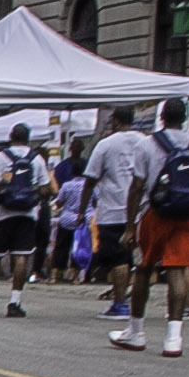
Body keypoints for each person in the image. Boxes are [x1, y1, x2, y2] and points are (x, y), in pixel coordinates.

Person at [114, 96, 189, 357]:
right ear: (184, 118)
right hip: (187, 216)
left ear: (161, 117)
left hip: (154, 214)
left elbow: (137, 187)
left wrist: (129, 226)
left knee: (144, 270)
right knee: (178, 272)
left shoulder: (147, 144)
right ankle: (174, 337)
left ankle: (136, 331)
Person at [80, 106, 159, 317]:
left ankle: (120, 303)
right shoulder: (147, 142)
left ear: (115, 120)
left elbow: (90, 179)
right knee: (140, 257)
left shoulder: (105, 145)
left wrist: (82, 209)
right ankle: (136, 301)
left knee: (118, 259)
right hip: (143, 209)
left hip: (114, 209)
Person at [0, 123, 51, 318]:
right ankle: (15, 302)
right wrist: (31, 196)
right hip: (27, 216)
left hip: (3, 214)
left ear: (10, 136)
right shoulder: (37, 159)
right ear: (28, 138)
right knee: (21, 257)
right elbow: (46, 189)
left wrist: (1, 193)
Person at [48, 146, 88, 283]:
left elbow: (59, 203)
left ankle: (54, 275)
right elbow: (95, 201)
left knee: (61, 247)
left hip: (66, 220)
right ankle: (75, 277)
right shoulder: (89, 186)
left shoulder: (66, 185)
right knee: (79, 248)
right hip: (83, 221)